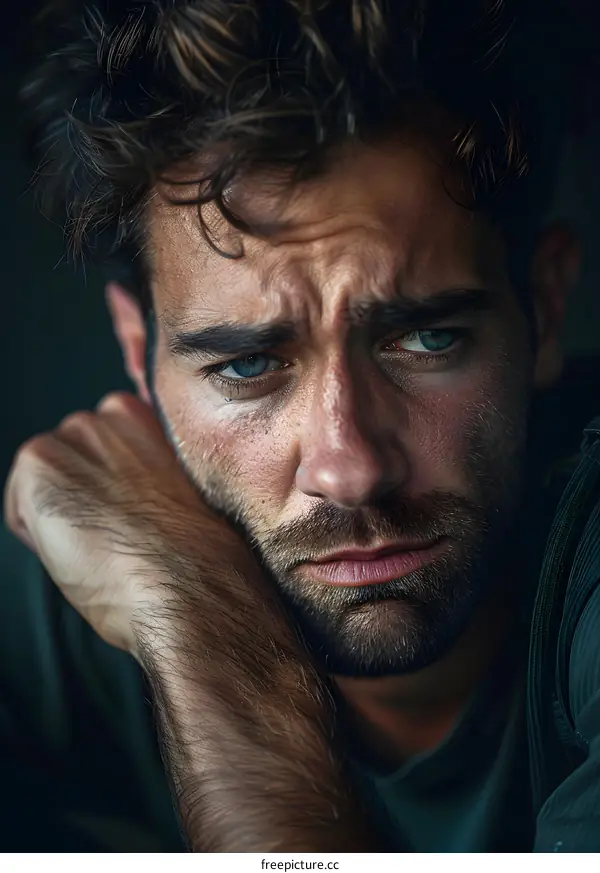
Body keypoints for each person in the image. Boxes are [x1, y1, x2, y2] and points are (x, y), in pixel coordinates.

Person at [1, 0, 597, 853]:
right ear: (139, 356)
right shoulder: (60, 588)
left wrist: (201, 634)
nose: (348, 466)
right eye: (247, 366)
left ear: (543, 305)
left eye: (427, 338)